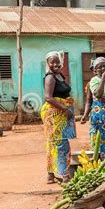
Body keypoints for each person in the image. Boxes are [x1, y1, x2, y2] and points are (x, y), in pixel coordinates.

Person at [41, 51, 76, 184]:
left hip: (62, 114)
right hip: (54, 114)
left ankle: (51, 175)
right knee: (60, 144)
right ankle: (65, 175)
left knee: (56, 143)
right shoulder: (50, 77)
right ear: (48, 64)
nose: (55, 64)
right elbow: (48, 97)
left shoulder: (60, 75)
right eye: (52, 62)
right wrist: (65, 108)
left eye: (57, 62)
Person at [80, 58, 95, 125]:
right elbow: (89, 101)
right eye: (93, 69)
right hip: (97, 114)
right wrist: (85, 115)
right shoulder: (90, 84)